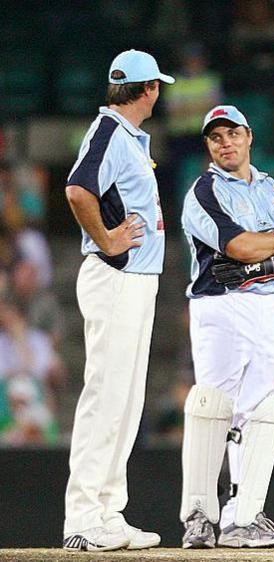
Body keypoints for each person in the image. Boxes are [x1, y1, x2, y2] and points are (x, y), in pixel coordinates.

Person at [179, 105, 274, 549]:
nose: (226, 143)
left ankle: (244, 516)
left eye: (232, 133)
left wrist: (270, 257)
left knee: (262, 409)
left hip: (269, 305)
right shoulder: (203, 190)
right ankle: (199, 516)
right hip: (219, 305)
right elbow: (238, 245)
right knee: (211, 405)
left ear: (249, 136)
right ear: (208, 145)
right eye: (216, 137)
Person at [62, 49, 174, 552]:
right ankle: (84, 516)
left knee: (125, 403)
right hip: (115, 276)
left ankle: (108, 510)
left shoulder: (124, 135)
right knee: (105, 396)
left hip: (135, 279)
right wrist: (108, 239)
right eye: (158, 88)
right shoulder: (108, 131)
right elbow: (78, 190)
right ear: (148, 89)